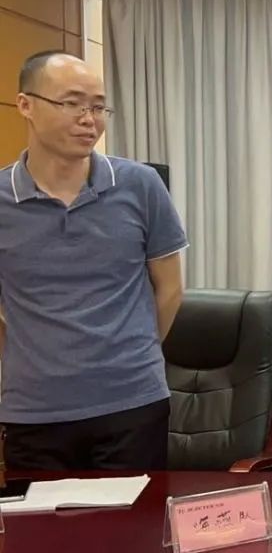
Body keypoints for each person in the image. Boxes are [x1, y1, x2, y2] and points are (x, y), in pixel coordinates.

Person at [0, 51, 187, 470]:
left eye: (99, 107)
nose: (89, 119)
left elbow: (171, 288)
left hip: (132, 403)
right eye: (72, 103)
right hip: (34, 411)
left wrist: (132, 354)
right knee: (40, 516)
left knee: (134, 515)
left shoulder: (140, 185)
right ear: (25, 105)